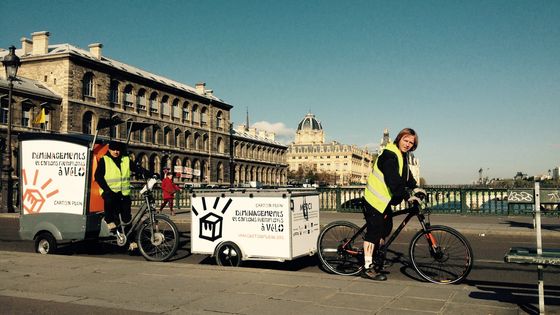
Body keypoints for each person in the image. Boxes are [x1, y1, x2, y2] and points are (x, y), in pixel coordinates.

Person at [361, 128, 424, 281]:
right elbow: (393, 181)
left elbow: (407, 176)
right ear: (399, 138)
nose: (408, 144)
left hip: (384, 200)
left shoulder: (401, 155)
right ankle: (367, 267)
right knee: (374, 231)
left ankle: (377, 256)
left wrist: (416, 187)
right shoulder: (389, 155)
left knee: (386, 228)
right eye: (406, 140)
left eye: (411, 142)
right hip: (374, 200)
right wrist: (407, 196)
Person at [94, 140, 144, 250]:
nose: (116, 152)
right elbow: (98, 176)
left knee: (127, 219)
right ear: (109, 149)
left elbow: (137, 169)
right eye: (114, 150)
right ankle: (109, 220)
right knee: (110, 202)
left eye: (118, 150)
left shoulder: (125, 160)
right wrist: (107, 189)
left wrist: (150, 173)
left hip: (124, 193)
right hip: (110, 192)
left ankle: (131, 242)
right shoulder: (104, 160)